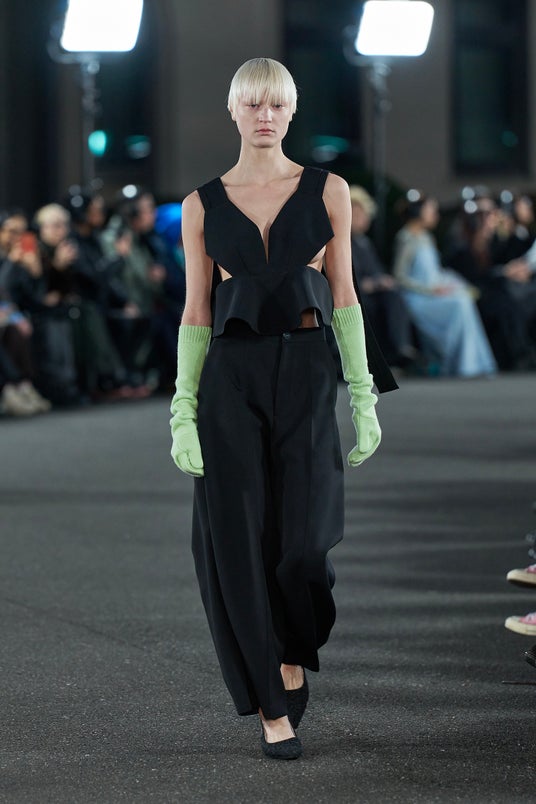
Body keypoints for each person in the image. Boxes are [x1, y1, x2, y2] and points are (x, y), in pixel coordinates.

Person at [169, 58, 392, 760]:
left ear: (291, 111)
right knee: (236, 542)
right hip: (229, 380)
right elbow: (197, 310)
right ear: (233, 110)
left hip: (306, 371)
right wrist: (181, 408)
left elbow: (345, 297)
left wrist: (363, 394)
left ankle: (295, 643)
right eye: (253, 104)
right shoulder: (202, 205)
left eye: (277, 104)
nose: (265, 116)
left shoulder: (329, 191)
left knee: (305, 544)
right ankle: (271, 703)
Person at [392, 192, 497, 378]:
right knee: (460, 303)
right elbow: (400, 276)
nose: (435, 215)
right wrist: (430, 290)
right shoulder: (406, 238)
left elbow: (435, 271)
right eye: (431, 211)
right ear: (419, 212)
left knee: (463, 298)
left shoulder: (427, 237)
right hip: (418, 298)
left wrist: (452, 285)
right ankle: (463, 362)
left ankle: (471, 362)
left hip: (433, 293)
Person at [349, 186, 416, 368]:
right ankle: (398, 348)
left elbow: (376, 270)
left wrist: (382, 281)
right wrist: (374, 283)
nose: (363, 218)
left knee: (394, 295)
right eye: (357, 213)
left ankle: (400, 348)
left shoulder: (364, 243)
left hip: (371, 292)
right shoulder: (343, 242)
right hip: (355, 295)